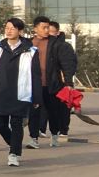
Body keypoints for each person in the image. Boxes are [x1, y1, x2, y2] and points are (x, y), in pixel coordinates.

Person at [0, 18, 39, 166]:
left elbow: (36, 75)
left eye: (12, 28)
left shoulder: (30, 51)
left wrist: (37, 97)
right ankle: (14, 145)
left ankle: (13, 154)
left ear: (20, 31)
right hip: (1, 91)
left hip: (21, 92)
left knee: (17, 124)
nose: (9, 31)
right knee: (1, 125)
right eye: (7, 28)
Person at [27, 17, 69, 149]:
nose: (47, 30)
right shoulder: (27, 44)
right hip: (33, 85)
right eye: (44, 28)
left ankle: (55, 135)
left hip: (52, 84)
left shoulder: (56, 44)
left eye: (48, 28)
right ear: (35, 28)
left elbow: (66, 63)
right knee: (34, 113)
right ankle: (33, 139)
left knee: (53, 112)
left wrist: (68, 82)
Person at [47, 20, 79, 144]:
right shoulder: (44, 45)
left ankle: (63, 130)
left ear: (57, 32)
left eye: (51, 31)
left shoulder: (64, 46)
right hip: (47, 82)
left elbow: (69, 65)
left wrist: (68, 82)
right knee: (49, 108)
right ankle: (48, 130)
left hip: (62, 82)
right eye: (47, 30)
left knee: (63, 107)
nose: (48, 34)